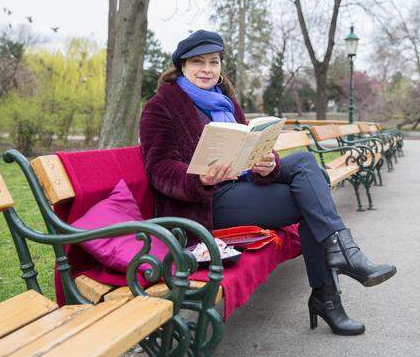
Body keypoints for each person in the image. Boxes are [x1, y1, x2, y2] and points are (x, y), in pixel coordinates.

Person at [139, 30, 396, 336]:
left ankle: (339, 260)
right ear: (182, 65)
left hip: (242, 182)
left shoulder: (226, 101)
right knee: (308, 202)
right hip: (205, 202)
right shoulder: (161, 106)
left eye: (213, 61)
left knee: (303, 163)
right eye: (198, 62)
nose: (207, 69)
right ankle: (334, 278)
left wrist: (268, 162)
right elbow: (159, 170)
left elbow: (251, 143)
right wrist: (200, 178)